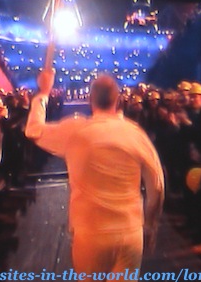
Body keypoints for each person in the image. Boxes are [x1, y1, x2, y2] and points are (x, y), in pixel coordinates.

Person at [25, 69, 164, 281]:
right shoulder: (135, 133)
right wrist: (150, 225)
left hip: (90, 234)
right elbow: (157, 186)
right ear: (118, 100)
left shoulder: (76, 130)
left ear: (90, 99)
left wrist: (43, 92)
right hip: (130, 232)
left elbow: (33, 130)